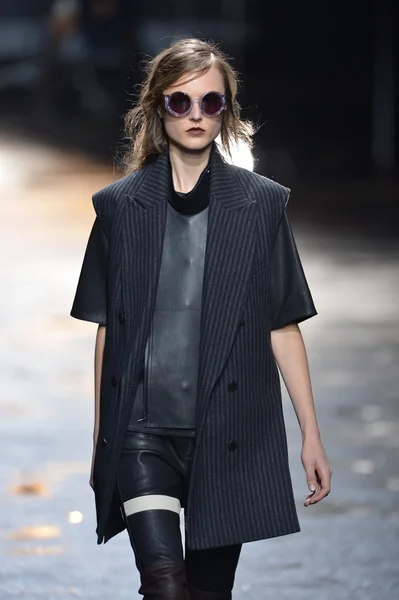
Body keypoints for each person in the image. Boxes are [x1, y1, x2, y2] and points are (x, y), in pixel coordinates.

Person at [70, 37, 333, 600]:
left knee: (210, 593)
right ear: (157, 108)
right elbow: (107, 330)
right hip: (143, 435)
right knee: (165, 586)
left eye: (211, 103)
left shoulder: (262, 205)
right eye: (180, 102)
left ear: (227, 112)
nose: (196, 115)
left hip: (225, 432)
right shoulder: (118, 207)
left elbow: (282, 324)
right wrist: (104, 440)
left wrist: (310, 434)